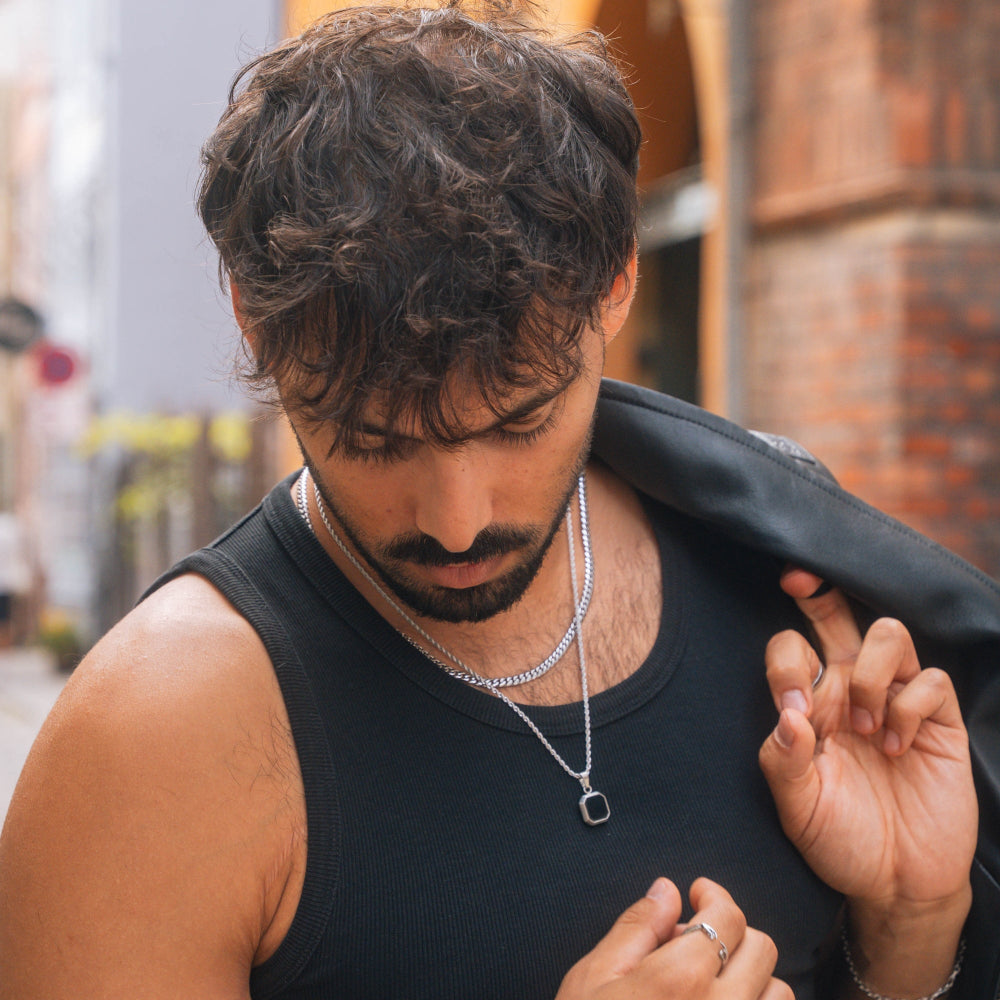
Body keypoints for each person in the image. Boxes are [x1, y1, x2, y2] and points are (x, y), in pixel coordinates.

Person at [0, 5, 988, 998]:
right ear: (253, 321)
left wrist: (911, 929)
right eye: (374, 437)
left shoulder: (783, 581)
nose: (457, 520)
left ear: (616, 282)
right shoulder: (151, 745)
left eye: (518, 421)